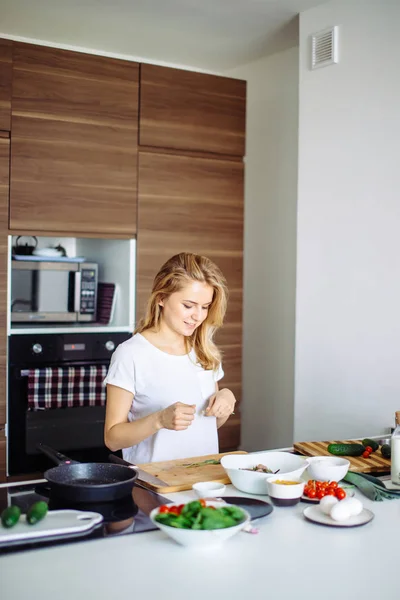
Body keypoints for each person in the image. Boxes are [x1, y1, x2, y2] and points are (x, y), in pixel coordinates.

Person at [104, 252, 236, 464]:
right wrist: (158, 420)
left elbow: (207, 425)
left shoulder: (204, 350)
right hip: (155, 485)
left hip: (205, 480)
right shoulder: (131, 354)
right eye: (188, 305)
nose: (198, 316)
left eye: (205, 307)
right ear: (161, 298)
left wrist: (226, 400)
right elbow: (112, 438)